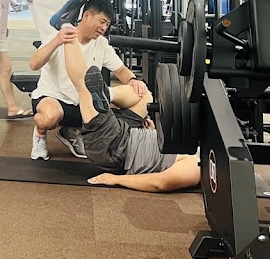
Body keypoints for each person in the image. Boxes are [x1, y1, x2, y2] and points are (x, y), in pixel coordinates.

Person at [61, 34, 200, 192]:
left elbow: (161, 182)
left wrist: (116, 179)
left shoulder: (196, 166)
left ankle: (66, 29)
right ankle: (107, 94)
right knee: (145, 97)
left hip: (116, 148)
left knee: (83, 87)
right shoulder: (196, 147)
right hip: (131, 131)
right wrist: (153, 133)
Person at [28, 0, 145, 160]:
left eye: (107, 25)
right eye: (102, 22)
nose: (104, 28)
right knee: (50, 116)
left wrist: (133, 80)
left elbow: (120, 70)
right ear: (87, 16)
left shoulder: (101, 44)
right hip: (53, 98)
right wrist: (57, 41)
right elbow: (34, 64)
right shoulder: (60, 35)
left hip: (83, 102)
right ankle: (39, 134)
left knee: (140, 95)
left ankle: (70, 131)